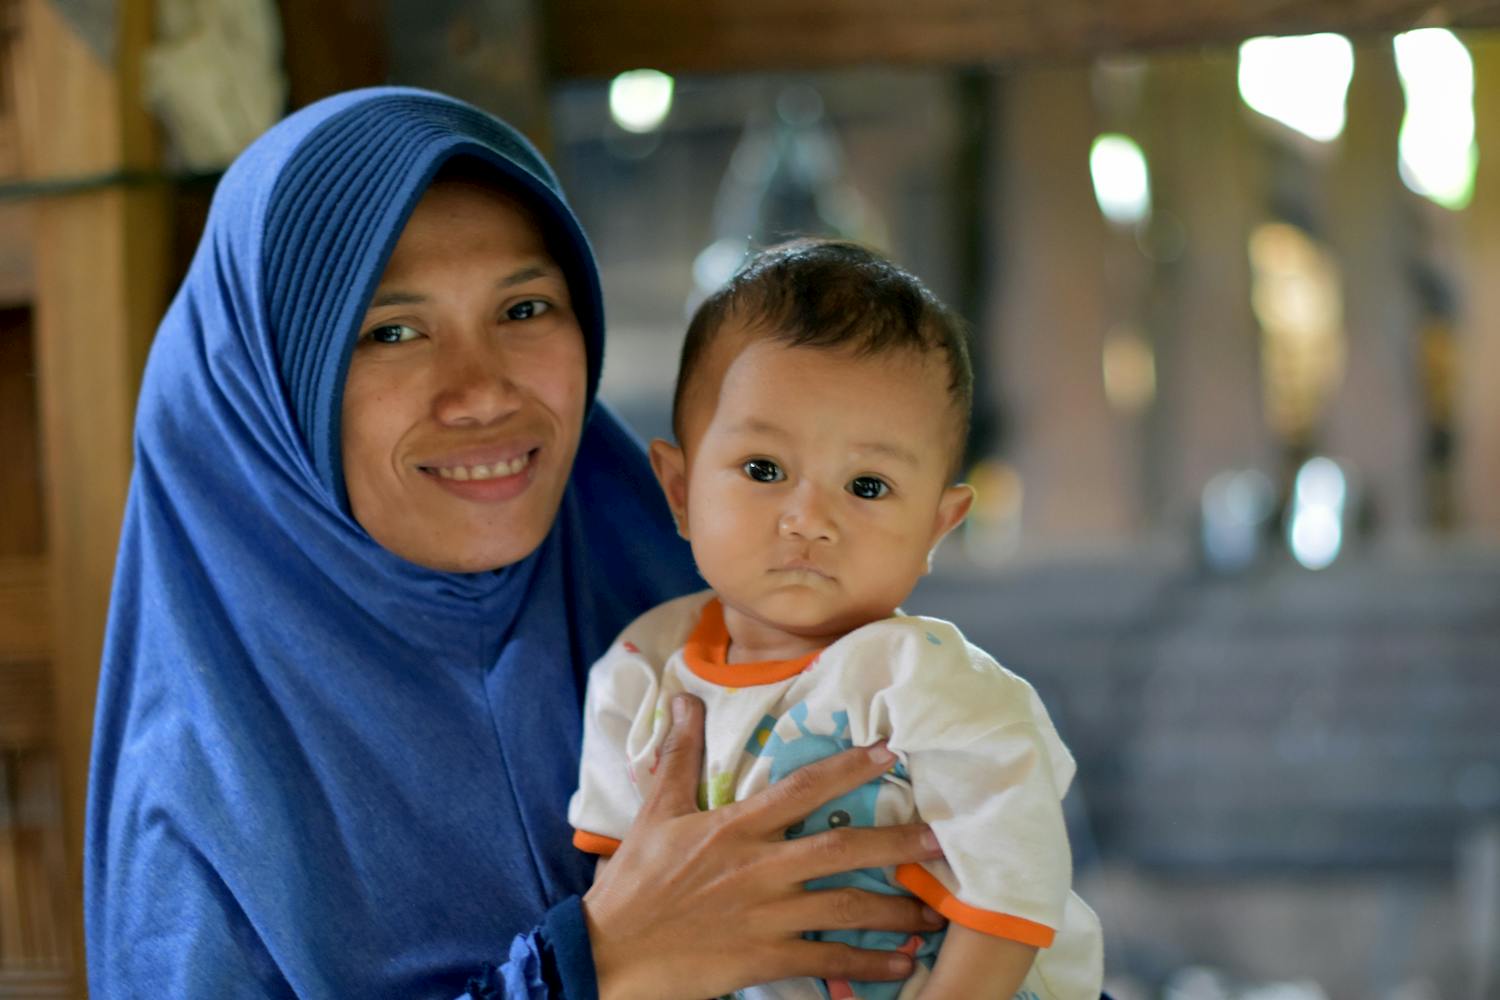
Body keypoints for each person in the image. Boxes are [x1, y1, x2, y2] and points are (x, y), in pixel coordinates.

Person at [85, 88, 950, 1000]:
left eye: (526, 309)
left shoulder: (688, 602)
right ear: (272, 399)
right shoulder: (196, 807)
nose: (484, 391)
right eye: (393, 331)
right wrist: (596, 966)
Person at [568, 241, 1104, 999]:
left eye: (868, 485)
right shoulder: (638, 669)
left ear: (938, 526)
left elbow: (1015, 891)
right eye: (764, 470)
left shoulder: (930, 685)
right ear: (680, 490)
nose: (809, 519)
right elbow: (628, 899)